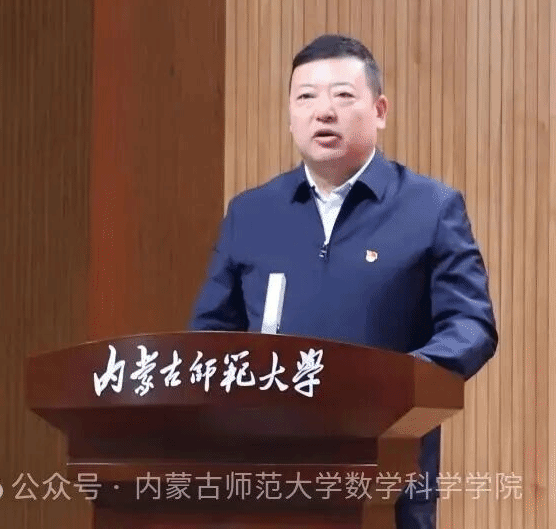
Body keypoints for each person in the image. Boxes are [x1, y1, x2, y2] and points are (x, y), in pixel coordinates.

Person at [187, 34, 498, 529]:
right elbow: (208, 336)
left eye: (343, 95)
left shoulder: (430, 208)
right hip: (267, 470)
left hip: (387, 471)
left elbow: (471, 325)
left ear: (379, 111)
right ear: (290, 115)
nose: (323, 111)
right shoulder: (251, 213)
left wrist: (395, 381)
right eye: (306, 97)